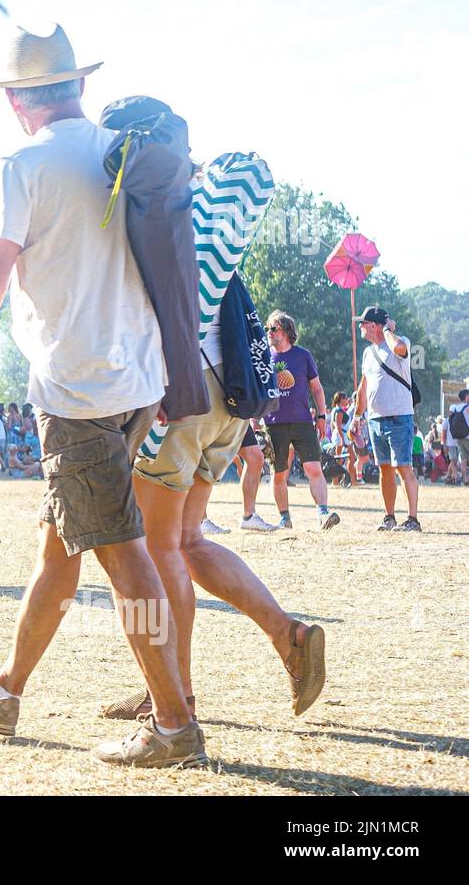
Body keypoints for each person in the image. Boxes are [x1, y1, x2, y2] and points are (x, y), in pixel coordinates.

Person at [0, 24, 203, 767]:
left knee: (120, 551)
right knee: (60, 546)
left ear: (15, 99)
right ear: (78, 85)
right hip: (136, 384)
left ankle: (174, 726)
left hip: (76, 393)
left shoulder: (23, 163)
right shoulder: (115, 151)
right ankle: (2, 693)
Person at [123, 230, 326, 725]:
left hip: (186, 394)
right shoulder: (211, 235)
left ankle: (175, 696)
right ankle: (289, 636)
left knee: (158, 546)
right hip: (231, 398)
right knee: (189, 540)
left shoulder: (154, 227)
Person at [263, 311, 339, 530]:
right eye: (267, 329)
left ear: (286, 331)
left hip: (302, 421)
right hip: (273, 423)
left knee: (314, 468)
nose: (269, 333)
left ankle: (323, 514)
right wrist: (255, 419)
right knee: (279, 473)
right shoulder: (265, 357)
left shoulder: (303, 356)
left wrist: (323, 416)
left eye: (273, 328)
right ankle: (284, 518)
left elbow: (316, 388)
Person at [353, 306, 420, 530]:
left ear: (375, 325)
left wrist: (389, 330)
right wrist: (357, 415)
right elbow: (363, 387)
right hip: (375, 419)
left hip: (399, 416)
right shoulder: (367, 353)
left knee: (403, 467)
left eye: (363, 323)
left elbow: (400, 348)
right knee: (384, 469)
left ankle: (412, 519)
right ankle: (389, 517)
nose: (360, 326)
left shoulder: (400, 342)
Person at [233, 422, 277, 530]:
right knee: (203, 454)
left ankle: (249, 516)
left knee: (256, 458)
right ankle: (200, 521)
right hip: (215, 412)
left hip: (238, 415)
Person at [445, 389, 469, 486]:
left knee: (463, 459)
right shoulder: (467, 407)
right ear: (466, 396)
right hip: (467, 436)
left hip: (458, 437)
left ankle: (465, 479)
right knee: (464, 459)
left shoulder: (456, 408)